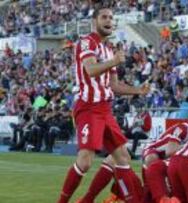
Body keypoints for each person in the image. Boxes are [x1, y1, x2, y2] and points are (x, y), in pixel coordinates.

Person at [57, 6, 149, 203]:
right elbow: (90, 70)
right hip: (88, 106)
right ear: (95, 22)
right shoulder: (85, 42)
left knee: (123, 157)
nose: (109, 21)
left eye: (111, 18)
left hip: (105, 109)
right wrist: (114, 61)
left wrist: (137, 90)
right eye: (104, 17)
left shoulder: (108, 49)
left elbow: (114, 85)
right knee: (85, 160)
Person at [105, 122, 188, 203]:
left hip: (154, 165)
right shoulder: (186, 128)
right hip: (153, 163)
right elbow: (168, 152)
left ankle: (119, 192)